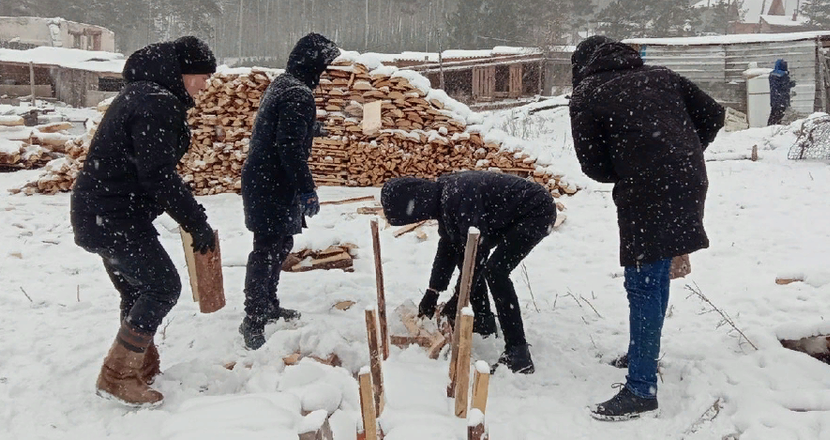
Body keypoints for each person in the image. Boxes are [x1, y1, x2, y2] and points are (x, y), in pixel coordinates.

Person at [569, 35, 725, 421]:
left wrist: (636, 163)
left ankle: (641, 388)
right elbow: (714, 115)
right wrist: (679, 151)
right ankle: (644, 355)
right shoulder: (662, 76)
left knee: (643, 281)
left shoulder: (588, 93)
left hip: (646, 191)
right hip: (687, 180)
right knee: (655, 274)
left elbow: (592, 166)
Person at [71, 36, 219, 407]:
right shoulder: (156, 103)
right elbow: (158, 175)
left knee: (138, 290)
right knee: (162, 286)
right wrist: (195, 221)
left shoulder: (143, 95)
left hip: (101, 211)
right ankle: (117, 376)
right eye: (201, 75)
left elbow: (149, 171)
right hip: (114, 215)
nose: (205, 84)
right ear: (180, 72)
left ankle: (141, 364)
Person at [380, 171, 556, 374]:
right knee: (465, 256)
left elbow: (476, 252)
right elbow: (448, 247)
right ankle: (484, 321)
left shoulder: (459, 198)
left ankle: (519, 354)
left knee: (495, 272)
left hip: (535, 211)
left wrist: (458, 297)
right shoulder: (443, 197)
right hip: (507, 214)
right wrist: (433, 291)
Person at [239, 32, 340, 350]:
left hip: (265, 179)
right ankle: (253, 319)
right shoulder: (298, 94)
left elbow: (279, 128)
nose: (324, 75)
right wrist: (307, 189)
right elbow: (289, 147)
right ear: (313, 65)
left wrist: (311, 127)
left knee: (280, 244)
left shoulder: (284, 84)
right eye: (323, 67)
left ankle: (269, 305)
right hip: (273, 183)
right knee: (267, 248)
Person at [768, 59, 795, 125]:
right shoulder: (783, 75)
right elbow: (784, 87)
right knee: (779, 116)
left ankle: (770, 127)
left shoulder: (772, 74)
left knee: (773, 115)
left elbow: (777, 86)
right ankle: (775, 127)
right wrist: (791, 84)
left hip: (774, 98)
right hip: (782, 99)